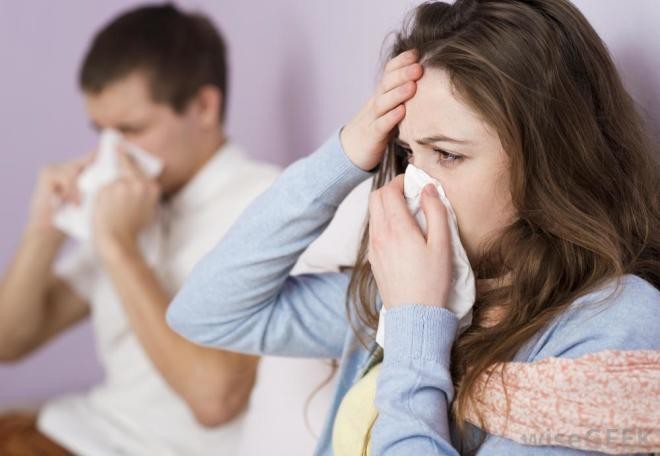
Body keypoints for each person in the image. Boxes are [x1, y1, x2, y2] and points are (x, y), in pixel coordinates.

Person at [167, 0, 660, 454]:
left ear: (551, 160)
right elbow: (206, 312)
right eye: (407, 153)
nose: (413, 185)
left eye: (447, 154)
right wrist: (346, 153)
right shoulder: (405, 290)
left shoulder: (613, 325)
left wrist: (416, 325)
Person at [0, 4, 320, 455]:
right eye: (101, 131)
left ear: (204, 107)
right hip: (77, 428)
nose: (111, 153)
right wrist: (44, 229)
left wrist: (119, 247)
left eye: (130, 130)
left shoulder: (267, 205)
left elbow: (215, 400)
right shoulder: (137, 201)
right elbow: (9, 342)